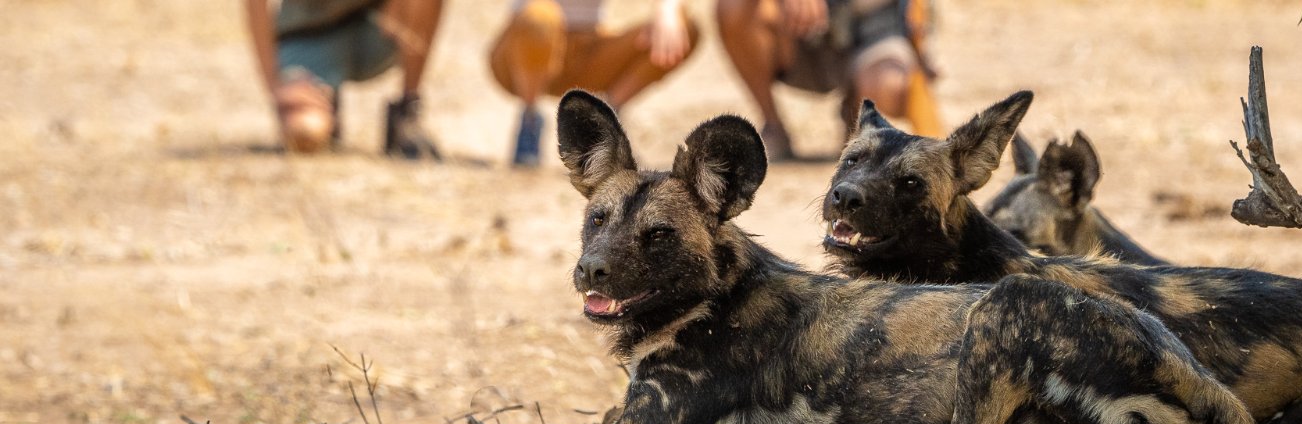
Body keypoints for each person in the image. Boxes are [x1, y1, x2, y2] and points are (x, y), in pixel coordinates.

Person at [716, 0, 941, 160]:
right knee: (734, 5)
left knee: (893, 87)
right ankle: (774, 125)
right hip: (795, 31)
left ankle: (856, 115)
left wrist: (920, 46)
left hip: (873, 34)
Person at [489, 0, 700, 167]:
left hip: (588, 50)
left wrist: (667, 9)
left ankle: (606, 117)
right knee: (539, 19)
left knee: (684, 28)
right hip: (522, 55)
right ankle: (530, 117)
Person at [245, 0, 443, 159]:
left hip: (378, 26)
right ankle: (324, 101)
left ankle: (407, 112)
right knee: (305, 131)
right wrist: (275, 85)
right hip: (309, 34)